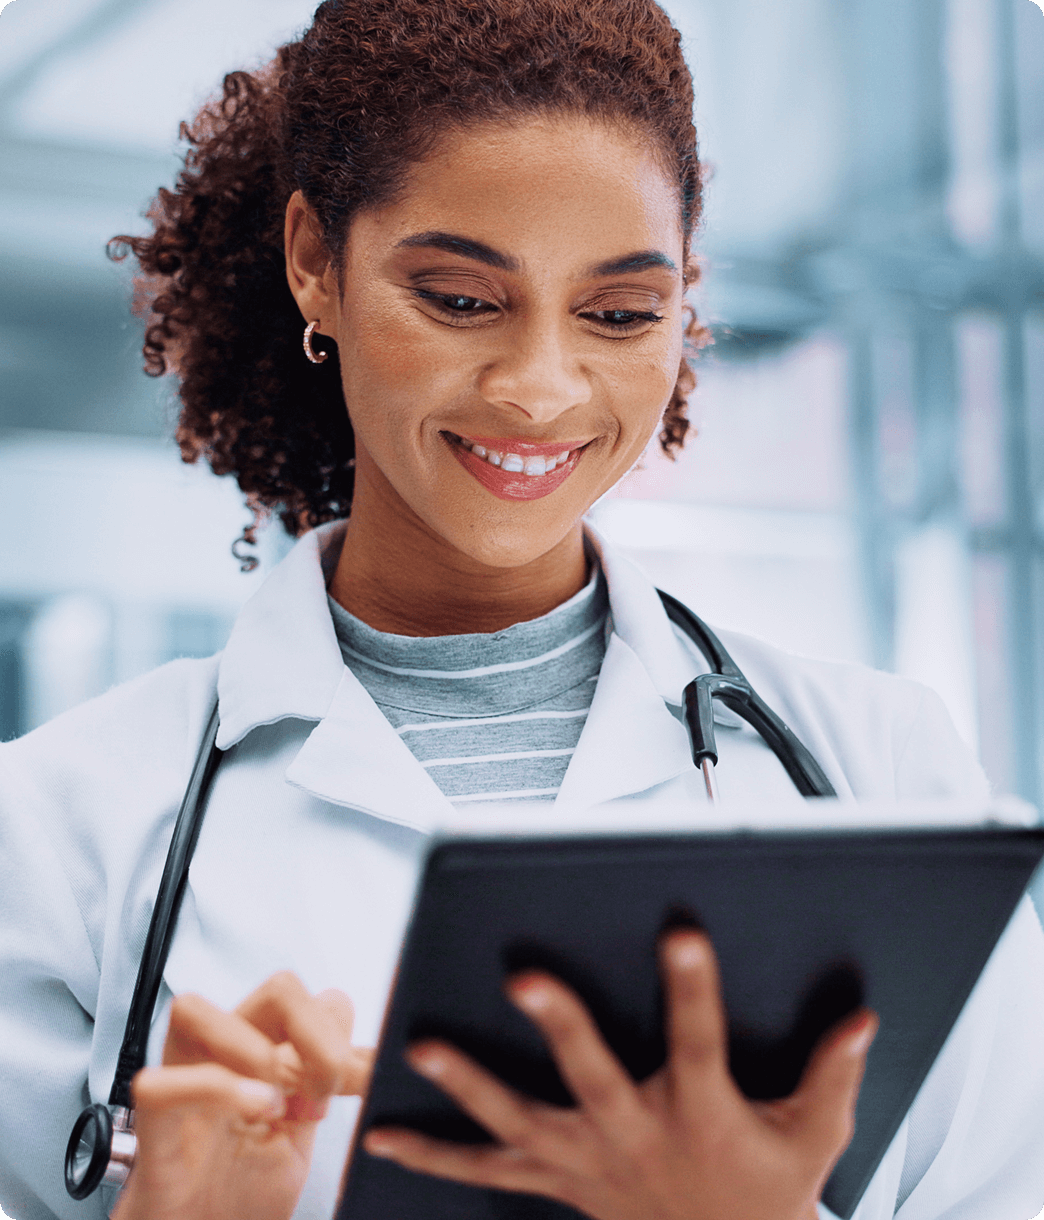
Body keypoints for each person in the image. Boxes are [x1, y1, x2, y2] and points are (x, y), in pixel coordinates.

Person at [1, 1, 1043, 1218]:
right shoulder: (56, 832)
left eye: (617, 314)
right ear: (313, 264)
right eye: (458, 297)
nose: (540, 388)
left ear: (685, 295)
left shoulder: (885, 771)